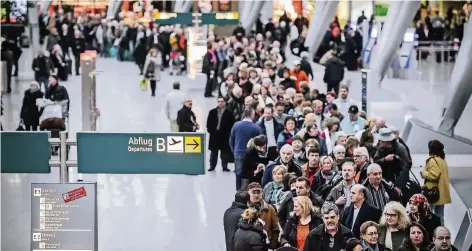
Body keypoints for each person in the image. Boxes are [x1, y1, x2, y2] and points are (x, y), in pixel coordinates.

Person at [230, 108, 261, 190]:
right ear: (252, 115)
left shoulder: (236, 125)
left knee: (238, 173)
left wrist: (234, 150)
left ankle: (239, 190)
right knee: (248, 172)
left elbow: (231, 139)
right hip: (251, 154)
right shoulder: (256, 127)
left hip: (238, 152)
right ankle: (247, 190)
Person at [420, 140, 451, 224]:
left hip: (433, 192)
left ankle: (431, 232)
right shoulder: (442, 160)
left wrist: (423, 173)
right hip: (441, 192)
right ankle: (441, 232)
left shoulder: (432, 160)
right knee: (440, 215)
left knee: (428, 213)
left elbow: (434, 175)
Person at [207, 97, 234, 172]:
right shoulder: (212, 112)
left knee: (224, 152)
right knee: (213, 152)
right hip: (214, 135)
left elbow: (231, 124)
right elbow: (208, 123)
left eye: (222, 101)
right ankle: (212, 166)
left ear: (224, 102)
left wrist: (228, 133)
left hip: (224, 135)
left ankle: (224, 166)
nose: (220, 103)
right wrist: (211, 131)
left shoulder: (229, 113)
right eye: (219, 101)